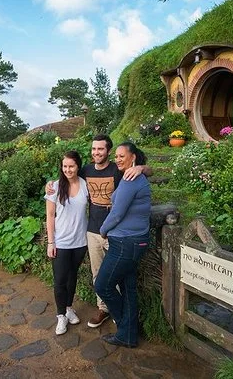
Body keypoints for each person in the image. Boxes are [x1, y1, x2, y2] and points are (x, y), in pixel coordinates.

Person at [47, 134, 151, 328]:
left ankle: (119, 311)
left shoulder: (118, 169)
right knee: (98, 273)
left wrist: (141, 168)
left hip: (115, 231)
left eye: (101, 149)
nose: (96, 152)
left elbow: (149, 172)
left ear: (108, 151)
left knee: (117, 275)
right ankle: (103, 309)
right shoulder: (86, 171)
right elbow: (68, 174)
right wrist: (51, 184)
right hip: (93, 231)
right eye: (94, 149)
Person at [95, 142, 151, 348]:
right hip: (133, 241)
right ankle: (129, 333)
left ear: (133, 157)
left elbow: (117, 214)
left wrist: (103, 230)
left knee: (102, 285)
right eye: (116, 156)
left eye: (122, 156)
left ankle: (126, 328)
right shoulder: (135, 177)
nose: (117, 159)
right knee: (128, 288)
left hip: (126, 243)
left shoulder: (130, 180)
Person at [44, 150, 89, 335]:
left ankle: (69, 308)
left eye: (71, 166)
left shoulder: (85, 184)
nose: (68, 170)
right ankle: (61, 315)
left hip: (80, 241)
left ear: (78, 166)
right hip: (61, 242)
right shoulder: (54, 187)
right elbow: (50, 215)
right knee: (60, 280)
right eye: (64, 166)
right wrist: (51, 242)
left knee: (72, 276)